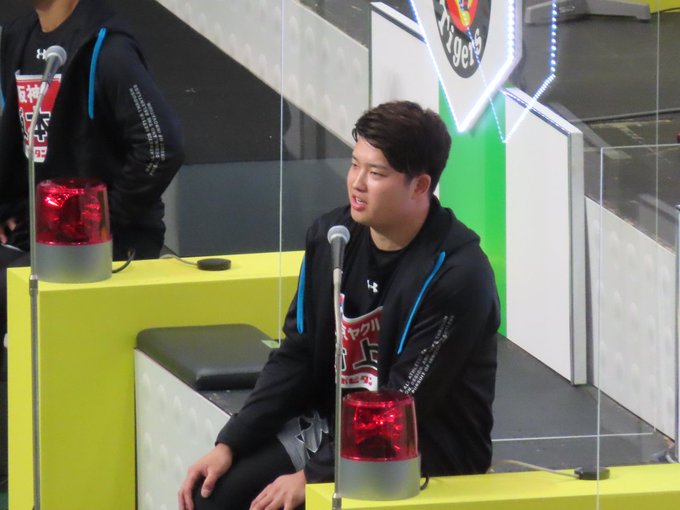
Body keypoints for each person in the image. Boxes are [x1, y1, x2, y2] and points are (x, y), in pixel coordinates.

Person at [178, 101, 499, 510]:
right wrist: (231, 442)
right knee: (214, 497)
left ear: (420, 185)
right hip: (332, 430)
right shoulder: (333, 237)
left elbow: (403, 402)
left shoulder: (457, 275)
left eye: (376, 173)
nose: (357, 183)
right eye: (354, 164)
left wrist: (314, 477)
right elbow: (296, 354)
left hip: (419, 448)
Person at [0, 0, 184, 478]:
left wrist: (95, 221)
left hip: (105, 249)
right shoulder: (18, 38)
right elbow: (14, 140)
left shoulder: (108, 50)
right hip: (39, 239)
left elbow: (161, 145)